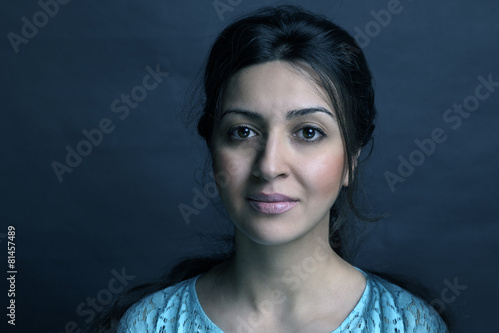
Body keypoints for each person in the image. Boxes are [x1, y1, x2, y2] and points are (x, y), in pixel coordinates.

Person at [91, 5, 449, 332]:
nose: (269, 165)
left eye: (308, 132)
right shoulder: (150, 325)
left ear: (350, 159)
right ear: (212, 147)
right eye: (243, 132)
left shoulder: (407, 324)